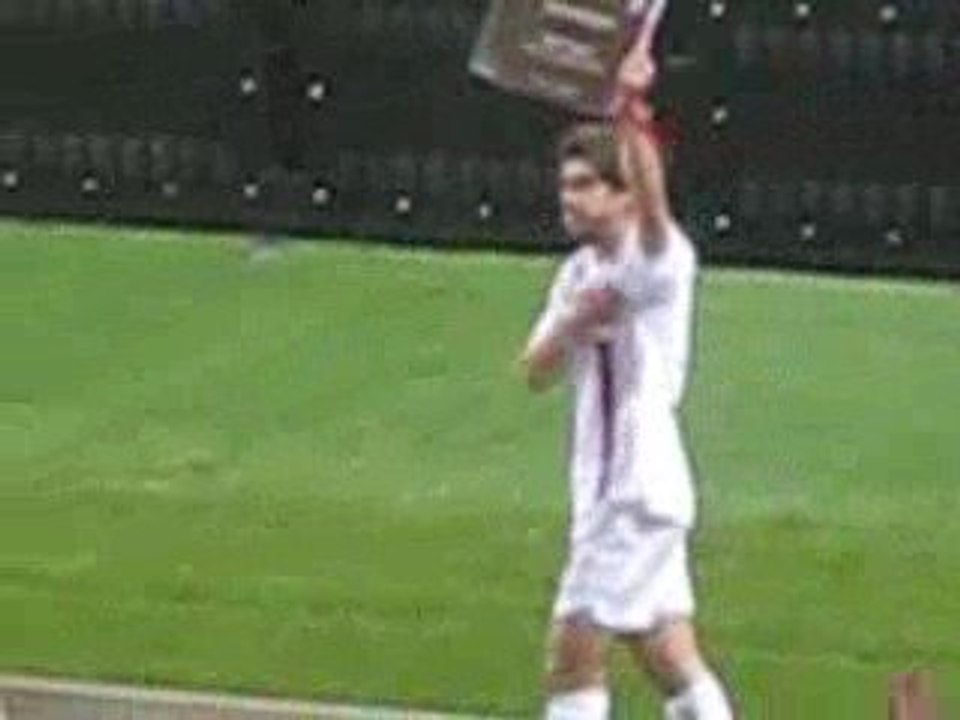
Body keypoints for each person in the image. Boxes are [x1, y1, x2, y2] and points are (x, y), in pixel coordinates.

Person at [517, 61, 735, 719]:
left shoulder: (659, 260)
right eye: (566, 185)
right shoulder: (577, 274)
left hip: (630, 489)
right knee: (668, 652)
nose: (569, 198)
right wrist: (575, 322)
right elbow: (534, 371)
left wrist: (630, 106)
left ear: (624, 195)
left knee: (572, 653)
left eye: (586, 185)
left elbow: (655, 204)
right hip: (625, 487)